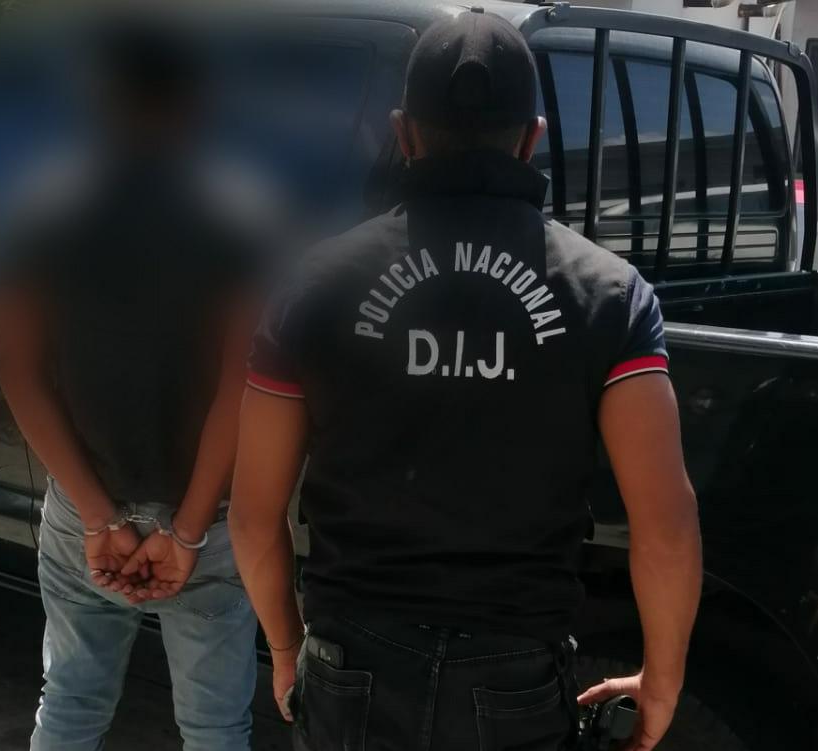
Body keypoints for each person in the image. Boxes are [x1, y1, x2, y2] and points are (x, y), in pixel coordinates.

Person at [229, 9, 702, 751]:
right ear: (532, 138)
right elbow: (665, 526)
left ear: (403, 133)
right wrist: (662, 681)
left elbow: (254, 516)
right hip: (514, 674)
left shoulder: (310, 286)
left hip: (353, 659)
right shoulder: (609, 295)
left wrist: (287, 650)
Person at [0, 18, 262, 751]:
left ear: (97, 99)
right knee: (215, 727)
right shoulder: (237, 217)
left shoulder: (38, 210)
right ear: (197, 102)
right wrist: (187, 528)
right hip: (206, 520)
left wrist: (97, 517)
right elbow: (239, 386)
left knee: (71, 702)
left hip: (84, 509)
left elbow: (17, 370)